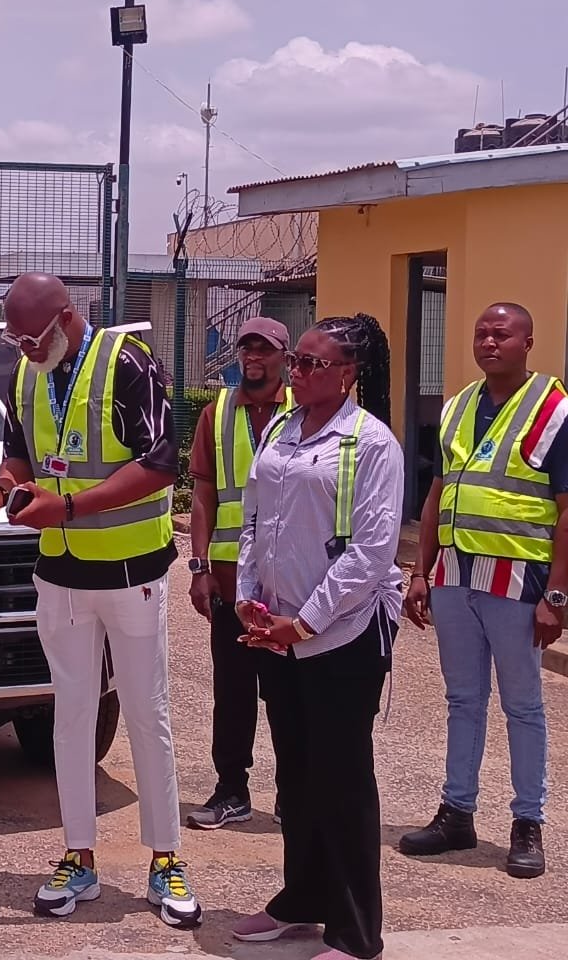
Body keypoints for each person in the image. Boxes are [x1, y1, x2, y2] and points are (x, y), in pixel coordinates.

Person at [0, 272, 201, 928]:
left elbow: (160, 463)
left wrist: (66, 507)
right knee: (70, 717)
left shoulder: (128, 363)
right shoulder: (28, 372)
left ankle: (165, 859)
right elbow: (19, 456)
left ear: (66, 317)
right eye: (15, 339)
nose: (24, 349)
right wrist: (1, 490)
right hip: (62, 575)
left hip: (132, 572)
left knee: (147, 714)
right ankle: (79, 856)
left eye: (32, 337)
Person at [230, 313, 402, 960]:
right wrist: (249, 596)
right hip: (278, 632)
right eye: (296, 360)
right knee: (297, 774)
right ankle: (301, 899)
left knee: (342, 778)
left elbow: (371, 553)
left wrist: (304, 622)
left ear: (348, 374)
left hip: (340, 637)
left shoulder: (371, 444)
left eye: (310, 364)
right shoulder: (282, 429)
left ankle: (355, 932)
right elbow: (254, 519)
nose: (295, 373)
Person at [400, 302, 567, 879]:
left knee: (523, 705)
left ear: (528, 342)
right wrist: (420, 571)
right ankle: (457, 813)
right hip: (453, 577)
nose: (489, 342)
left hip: (518, 583)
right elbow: (437, 494)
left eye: (501, 334)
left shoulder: (553, 410)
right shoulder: (457, 407)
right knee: (463, 700)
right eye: (481, 334)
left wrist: (557, 597)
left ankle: (528, 823)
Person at [186, 317, 293, 830]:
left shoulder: (303, 410)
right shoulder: (218, 414)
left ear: (283, 357)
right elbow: (203, 495)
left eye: (264, 349)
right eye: (247, 348)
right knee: (232, 693)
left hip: (288, 585)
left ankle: (294, 793)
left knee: (289, 693)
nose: (253, 357)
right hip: (230, 581)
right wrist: (199, 567)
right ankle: (231, 790)